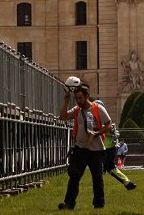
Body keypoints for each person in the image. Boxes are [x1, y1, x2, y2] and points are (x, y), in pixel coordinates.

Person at [58, 81, 111, 210]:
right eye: (76, 98)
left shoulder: (97, 108)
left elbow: (108, 125)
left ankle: (99, 205)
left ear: (87, 96)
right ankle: (69, 203)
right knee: (74, 177)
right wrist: (66, 101)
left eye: (80, 98)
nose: (78, 101)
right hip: (80, 149)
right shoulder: (76, 110)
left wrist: (97, 133)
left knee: (97, 179)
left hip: (96, 150)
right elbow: (63, 117)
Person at [95, 99, 136, 191]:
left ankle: (99, 188)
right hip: (106, 148)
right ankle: (127, 182)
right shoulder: (100, 119)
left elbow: (109, 129)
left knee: (103, 168)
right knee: (110, 168)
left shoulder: (102, 119)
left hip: (105, 149)